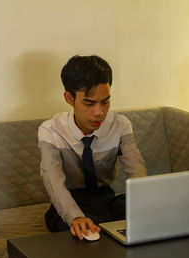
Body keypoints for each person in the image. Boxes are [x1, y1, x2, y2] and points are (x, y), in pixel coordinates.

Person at [38, 55, 147, 240]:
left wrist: (148, 203)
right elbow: (53, 181)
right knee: (86, 232)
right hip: (71, 200)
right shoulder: (51, 131)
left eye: (105, 102)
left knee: (142, 223)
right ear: (69, 98)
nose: (99, 113)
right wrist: (76, 217)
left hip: (106, 198)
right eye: (89, 103)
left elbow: (136, 170)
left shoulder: (120, 125)